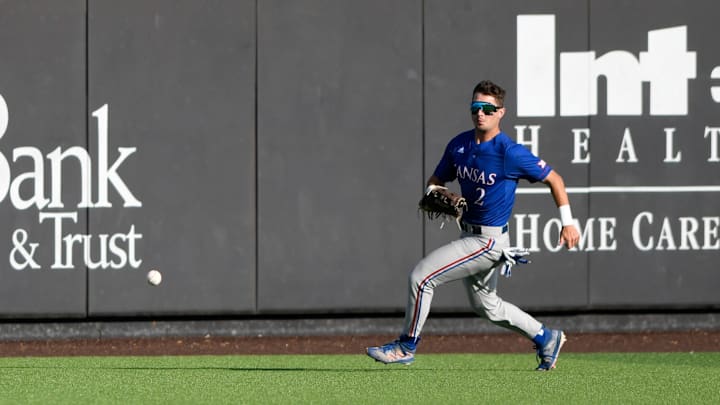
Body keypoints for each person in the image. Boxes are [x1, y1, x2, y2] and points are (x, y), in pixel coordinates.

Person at [366, 80, 580, 371]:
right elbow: (434, 182)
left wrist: (568, 223)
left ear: (501, 112)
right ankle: (546, 338)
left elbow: (555, 179)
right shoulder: (459, 145)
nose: (481, 113)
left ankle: (406, 346)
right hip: (469, 232)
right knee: (486, 305)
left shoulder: (510, 152)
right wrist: (435, 193)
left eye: (488, 109)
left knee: (421, 277)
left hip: (489, 242)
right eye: (476, 107)